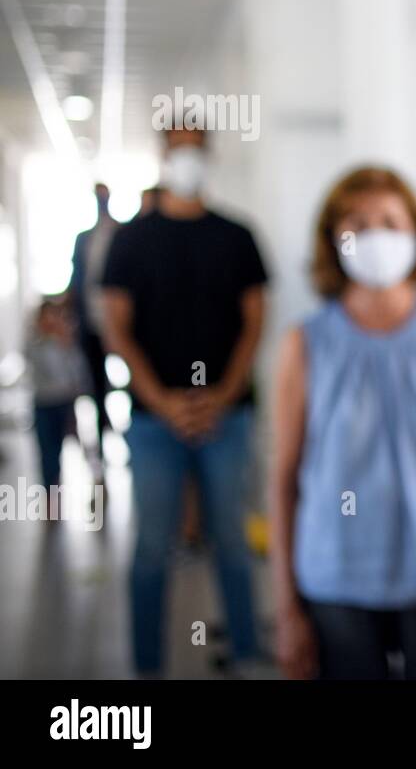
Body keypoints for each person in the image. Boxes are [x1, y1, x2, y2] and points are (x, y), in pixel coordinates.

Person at [270, 167, 416, 680]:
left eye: (390, 222)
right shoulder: (304, 344)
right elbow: (283, 479)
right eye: (358, 224)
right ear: (333, 240)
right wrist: (285, 610)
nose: (376, 236)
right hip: (335, 579)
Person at [100, 122, 269, 677]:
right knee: (151, 549)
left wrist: (222, 394)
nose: (188, 159)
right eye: (178, 149)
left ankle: (245, 654)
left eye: (196, 149)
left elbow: (253, 322)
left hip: (228, 415)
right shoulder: (132, 239)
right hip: (153, 420)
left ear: (208, 156)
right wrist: (162, 400)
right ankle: (146, 667)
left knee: (232, 543)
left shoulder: (237, 236)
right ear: (163, 155)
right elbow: (117, 328)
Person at [69, 182, 117, 476]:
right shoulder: (83, 239)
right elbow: (77, 280)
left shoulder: (124, 235)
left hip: (122, 326)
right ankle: (100, 448)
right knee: (96, 386)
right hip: (91, 324)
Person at [25, 298, 91, 490]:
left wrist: (65, 345)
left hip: (65, 403)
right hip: (44, 404)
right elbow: (44, 371)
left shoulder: (67, 344)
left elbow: (79, 374)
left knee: (80, 447)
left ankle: (95, 483)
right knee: (48, 452)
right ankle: (50, 492)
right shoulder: (34, 345)